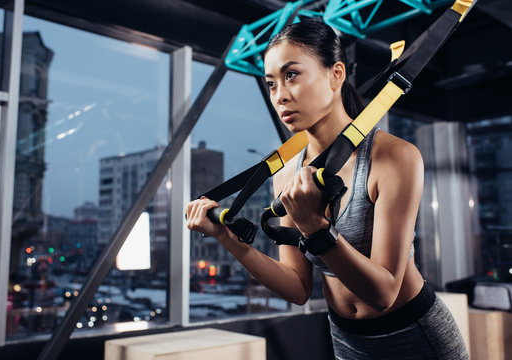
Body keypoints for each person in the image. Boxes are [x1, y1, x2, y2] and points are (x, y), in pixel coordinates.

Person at [185, 20, 468, 359]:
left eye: (292, 75)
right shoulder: (286, 174)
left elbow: (384, 293)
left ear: (335, 75)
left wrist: (316, 228)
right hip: (348, 340)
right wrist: (226, 238)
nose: (280, 96)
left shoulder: (394, 158)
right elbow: (298, 287)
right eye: (271, 83)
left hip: (416, 337)